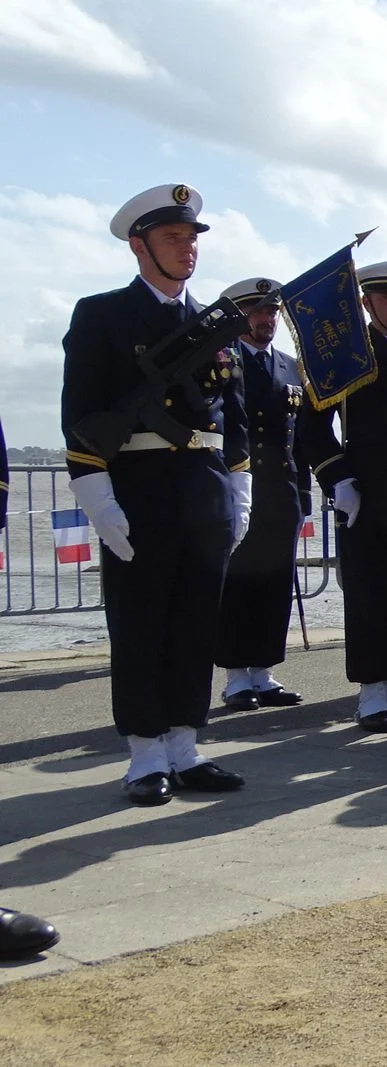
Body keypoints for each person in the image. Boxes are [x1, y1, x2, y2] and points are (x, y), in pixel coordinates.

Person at [62, 184, 251, 806]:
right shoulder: (103, 315)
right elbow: (83, 414)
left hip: (204, 490)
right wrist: (96, 494)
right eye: (173, 237)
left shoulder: (214, 325)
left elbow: (237, 419)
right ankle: (145, 755)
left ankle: (185, 744)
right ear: (139, 245)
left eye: (192, 238)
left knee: (197, 621)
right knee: (141, 622)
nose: (187, 248)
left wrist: (240, 487)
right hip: (139, 489)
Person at [301, 259, 387, 733]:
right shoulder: (345, 353)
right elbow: (312, 429)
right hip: (369, 494)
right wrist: (337, 479)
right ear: (366, 303)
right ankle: (369, 696)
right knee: (370, 598)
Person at [211, 276, 310, 710]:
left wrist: (303, 494)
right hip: (240, 487)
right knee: (238, 585)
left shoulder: (290, 365)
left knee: (274, 585)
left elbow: (300, 435)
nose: (265, 320)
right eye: (256, 312)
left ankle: (264, 672)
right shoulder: (223, 362)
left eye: (271, 312)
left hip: (282, 490)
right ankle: (236, 677)